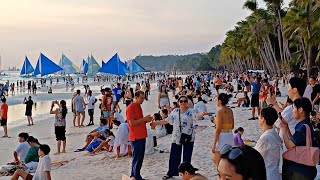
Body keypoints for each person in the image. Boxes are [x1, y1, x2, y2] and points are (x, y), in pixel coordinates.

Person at [150, 95, 208, 179]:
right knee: (174, 155)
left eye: (185, 101)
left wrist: (201, 114)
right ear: (178, 103)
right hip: (176, 137)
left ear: (187, 102)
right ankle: (171, 172)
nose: (183, 103)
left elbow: (197, 117)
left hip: (189, 136)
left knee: (187, 156)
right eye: (181, 101)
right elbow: (167, 120)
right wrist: (156, 123)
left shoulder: (192, 111)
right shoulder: (175, 111)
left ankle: (187, 174)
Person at [279, 98, 318, 179]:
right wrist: (286, 127)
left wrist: (282, 129)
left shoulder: (302, 127)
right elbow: (294, 140)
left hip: (300, 170)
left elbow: (290, 145)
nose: (292, 111)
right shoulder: (305, 124)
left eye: (293, 108)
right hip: (306, 168)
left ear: (300, 110)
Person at [126, 90, 153, 180]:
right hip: (136, 136)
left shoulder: (138, 106)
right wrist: (144, 119)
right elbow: (132, 123)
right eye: (141, 98)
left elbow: (138, 121)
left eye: (143, 98)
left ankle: (134, 175)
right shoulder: (130, 108)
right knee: (138, 158)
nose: (143, 100)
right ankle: (136, 176)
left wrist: (146, 120)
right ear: (136, 97)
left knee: (139, 157)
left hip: (141, 134)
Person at [255, 107, 282, 180]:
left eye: (259, 116)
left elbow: (256, 157)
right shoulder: (274, 133)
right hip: (274, 173)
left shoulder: (266, 138)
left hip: (267, 174)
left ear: (263, 119)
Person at [212, 93, 234, 166]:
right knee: (227, 158)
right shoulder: (230, 110)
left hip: (222, 135)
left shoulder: (219, 111)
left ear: (220, 101)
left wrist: (214, 144)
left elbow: (218, 129)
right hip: (230, 135)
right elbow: (232, 125)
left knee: (217, 159)